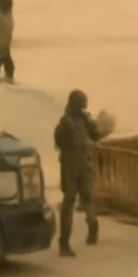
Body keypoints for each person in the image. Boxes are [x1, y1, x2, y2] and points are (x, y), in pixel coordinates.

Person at [53, 90, 101, 257]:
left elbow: (58, 142)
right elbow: (97, 136)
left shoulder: (65, 122)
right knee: (87, 199)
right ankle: (93, 232)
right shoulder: (85, 119)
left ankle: (64, 244)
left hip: (70, 167)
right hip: (84, 164)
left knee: (68, 204)